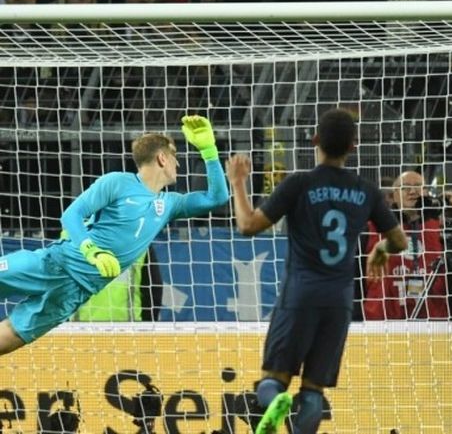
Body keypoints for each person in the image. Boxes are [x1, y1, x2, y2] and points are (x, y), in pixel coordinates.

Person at [227, 108, 407, 434]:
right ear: (353, 146)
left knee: (273, 380)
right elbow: (399, 241)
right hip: (340, 300)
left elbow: (248, 225)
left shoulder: (299, 183)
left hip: (300, 293)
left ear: (315, 140)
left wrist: (238, 183)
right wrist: (380, 249)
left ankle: (274, 402)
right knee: (313, 391)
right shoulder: (366, 190)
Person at [0, 115, 228, 355]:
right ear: (162, 158)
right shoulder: (117, 182)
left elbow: (217, 198)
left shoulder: (169, 204)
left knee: (13, 335)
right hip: (55, 263)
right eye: (175, 157)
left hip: (74, 292)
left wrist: (209, 151)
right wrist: (92, 251)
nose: (178, 165)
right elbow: (71, 215)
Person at [363, 170, 449, 319]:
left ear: (426, 192)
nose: (412, 191)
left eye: (418, 187)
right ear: (394, 195)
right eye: (405, 187)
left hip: (431, 319)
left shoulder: (439, 228)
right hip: (383, 320)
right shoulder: (372, 228)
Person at [75, 245, 162, 322]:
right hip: (129, 329)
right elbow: (154, 290)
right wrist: (147, 326)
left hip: (79, 329)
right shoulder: (140, 241)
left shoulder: (70, 240)